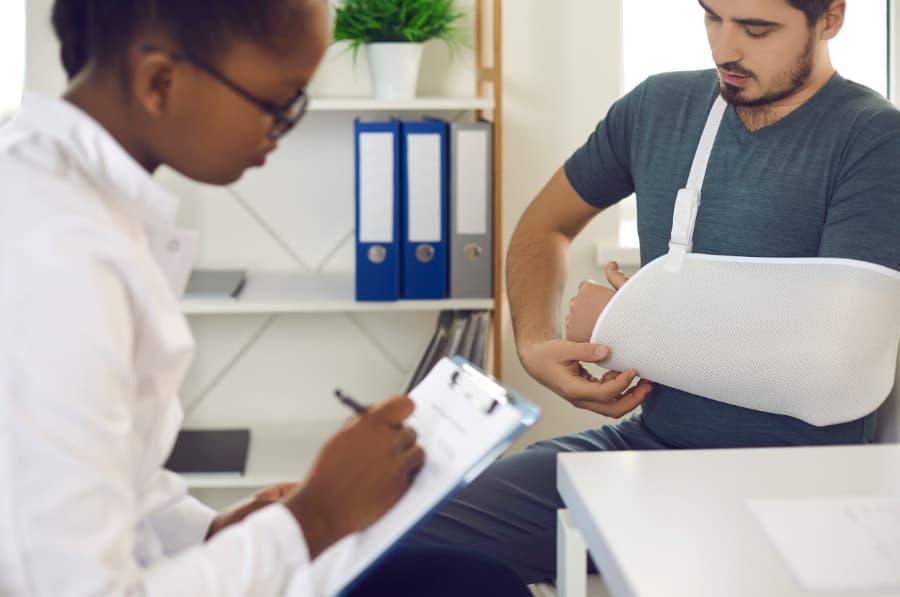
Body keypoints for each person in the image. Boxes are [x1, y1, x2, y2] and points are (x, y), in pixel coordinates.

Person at [0, 0, 530, 595]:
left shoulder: (72, 194)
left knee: (471, 580)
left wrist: (217, 531)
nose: (284, 127)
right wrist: (314, 519)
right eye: (279, 102)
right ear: (160, 82)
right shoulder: (58, 254)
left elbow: (114, 485)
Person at [408, 0, 900, 583]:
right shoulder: (658, 107)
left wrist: (628, 324)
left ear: (831, 19)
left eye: (757, 29)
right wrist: (535, 344)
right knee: (385, 539)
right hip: (644, 449)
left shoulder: (874, 140)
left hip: (793, 484)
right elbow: (544, 228)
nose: (724, 49)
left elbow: (832, 377)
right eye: (712, 17)